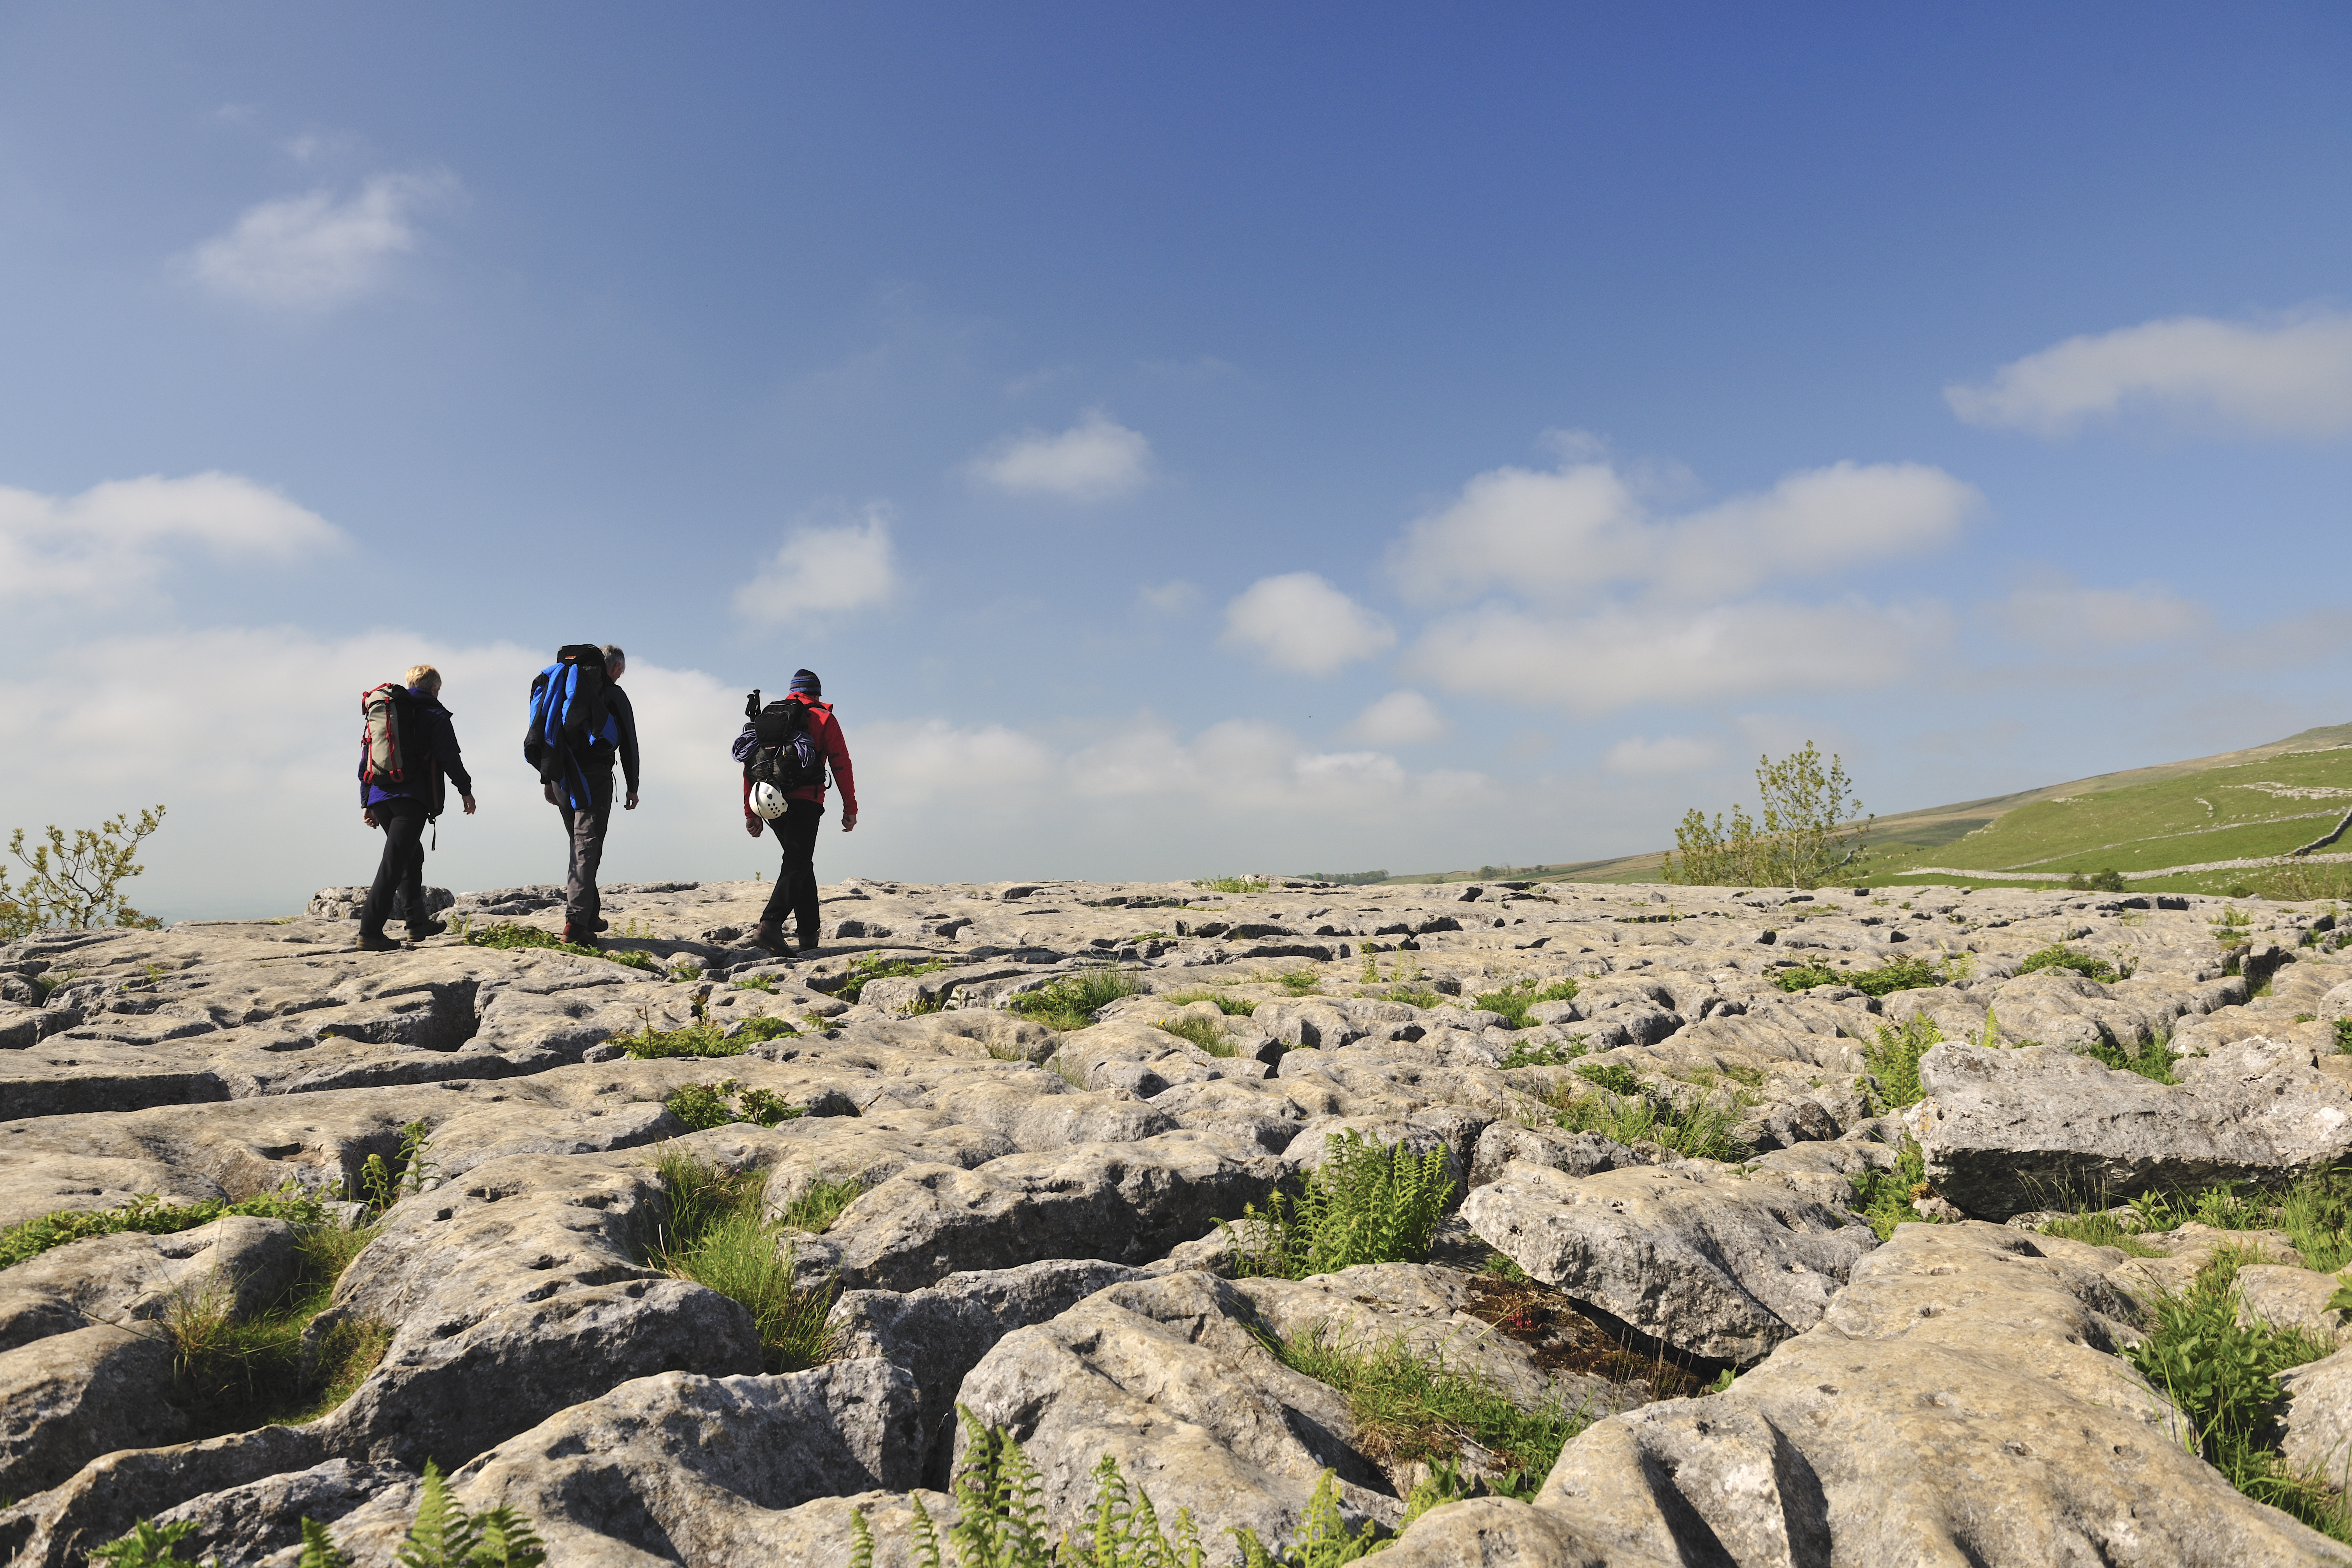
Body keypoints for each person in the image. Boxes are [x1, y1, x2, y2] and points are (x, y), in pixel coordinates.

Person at [735, 668, 857, 955]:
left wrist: (749, 812)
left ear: (792, 692)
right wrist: (850, 807)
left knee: (801, 861)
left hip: (768, 800)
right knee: (797, 862)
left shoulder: (769, 719)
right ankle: (770, 925)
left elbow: (749, 766)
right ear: (816, 694)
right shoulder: (824, 717)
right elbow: (841, 764)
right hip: (806, 800)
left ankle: (808, 934)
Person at [357, 664, 476, 952]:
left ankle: (416, 923)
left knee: (412, 855)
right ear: (435, 688)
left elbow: (366, 757)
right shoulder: (434, 714)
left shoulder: (386, 712)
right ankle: (370, 932)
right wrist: (466, 790)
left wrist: (367, 802)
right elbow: (450, 757)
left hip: (380, 797)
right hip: (409, 799)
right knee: (394, 864)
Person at [542, 644, 640, 945]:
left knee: (580, 846)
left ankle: (590, 914)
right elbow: (629, 744)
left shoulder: (560, 690)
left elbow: (547, 733)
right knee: (587, 848)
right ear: (612, 668)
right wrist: (632, 785)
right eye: (620, 671)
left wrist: (548, 779)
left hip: (562, 778)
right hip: (594, 779)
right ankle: (576, 924)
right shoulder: (613, 695)